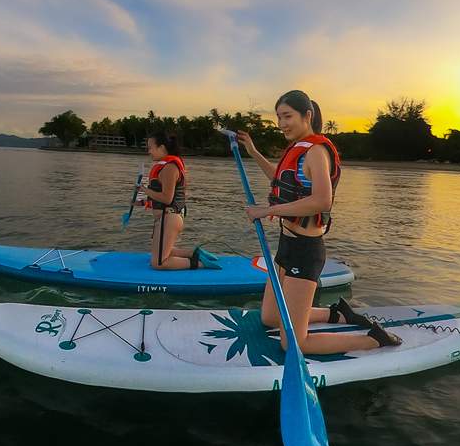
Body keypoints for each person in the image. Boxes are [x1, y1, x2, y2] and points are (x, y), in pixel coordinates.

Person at [237, 90, 402, 351]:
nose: (282, 124)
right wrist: (253, 151)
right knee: (269, 318)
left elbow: (323, 201)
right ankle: (336, 314)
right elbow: (279, 178)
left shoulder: (316, 151)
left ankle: (374, 339)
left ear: (308, 115)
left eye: (288, 116)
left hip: (305, 251)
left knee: (292, 343)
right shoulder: (297, 150)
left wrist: (266, 211)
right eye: (279, 117)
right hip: (285, 245)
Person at [140, 131, 221, 270]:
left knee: (158, 263)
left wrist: (144, 190)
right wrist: (140, 202)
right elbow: (158, 196)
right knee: (158, 253)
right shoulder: (165, 166)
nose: (149, 151)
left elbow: (167, 198)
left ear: (162, 148)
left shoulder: (169, 168)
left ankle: (200, 264)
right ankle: (194, 253)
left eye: (150, 147)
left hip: (170, 217)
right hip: (164, 218)